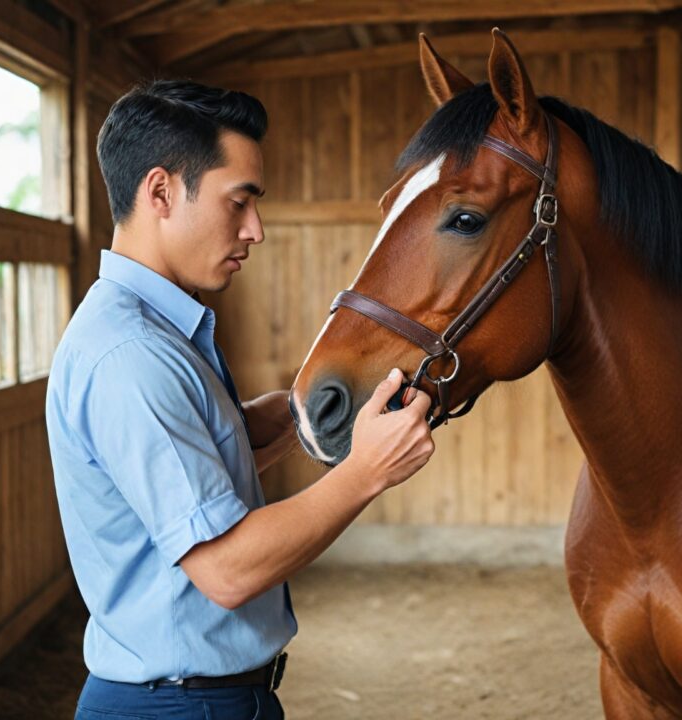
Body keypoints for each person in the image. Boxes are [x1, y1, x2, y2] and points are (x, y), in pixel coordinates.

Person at [45, 79, 435, 720]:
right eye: (239, 202)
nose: (255, 229)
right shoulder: (132, 355)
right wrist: (367, 472)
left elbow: (198, 469)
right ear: (162, 192)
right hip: (179, 708)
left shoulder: (164, 329)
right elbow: (226, 570)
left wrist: (301, 406)